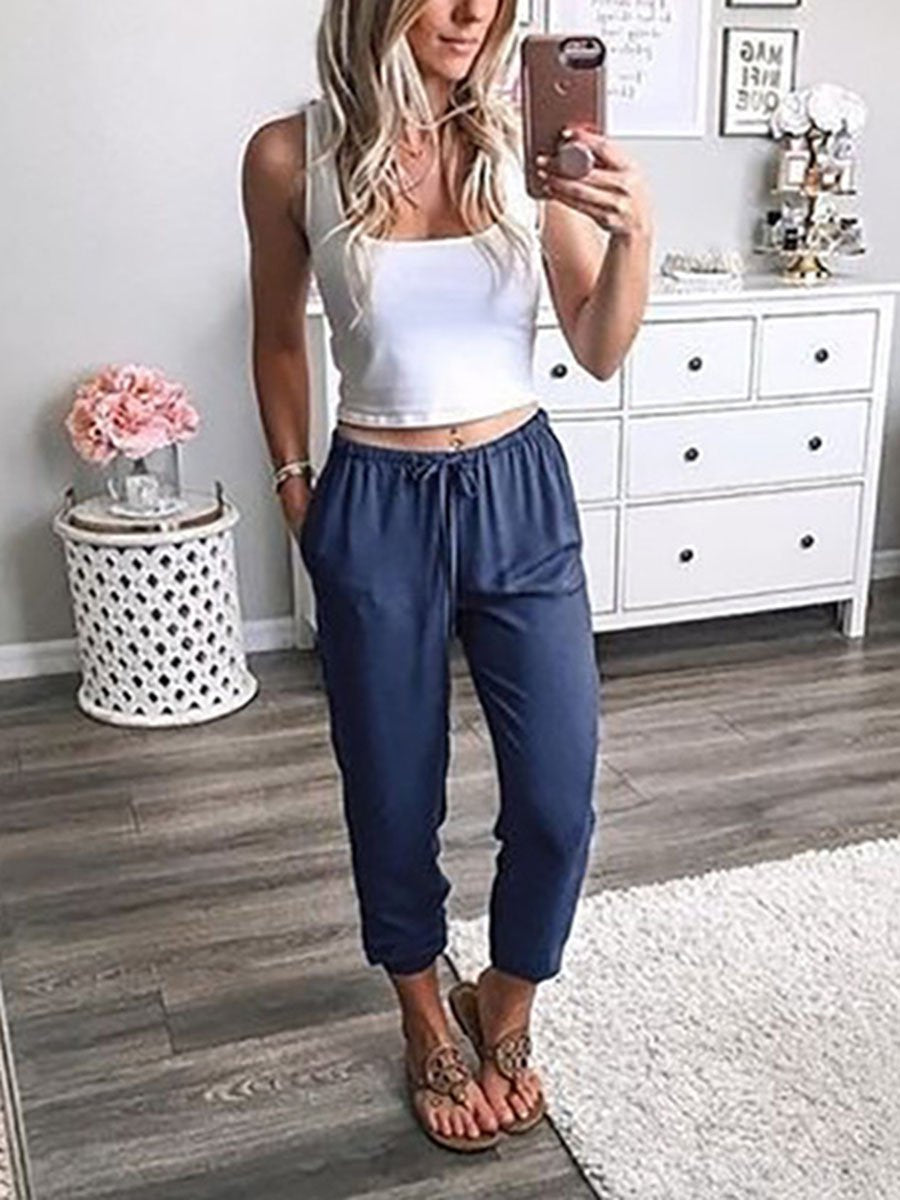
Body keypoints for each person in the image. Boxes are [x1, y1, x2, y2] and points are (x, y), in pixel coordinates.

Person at [241, 0, 653, 1154]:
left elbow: (599, 344)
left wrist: (636, 234)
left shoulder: (529, 146)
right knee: (390, 787)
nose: (474, 10)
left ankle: (505, 1003)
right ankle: (424, 1010)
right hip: (374, 495)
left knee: (559, 796)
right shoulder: (290, 155)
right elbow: (277, 336)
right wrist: (295, 487)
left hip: (517, 485)